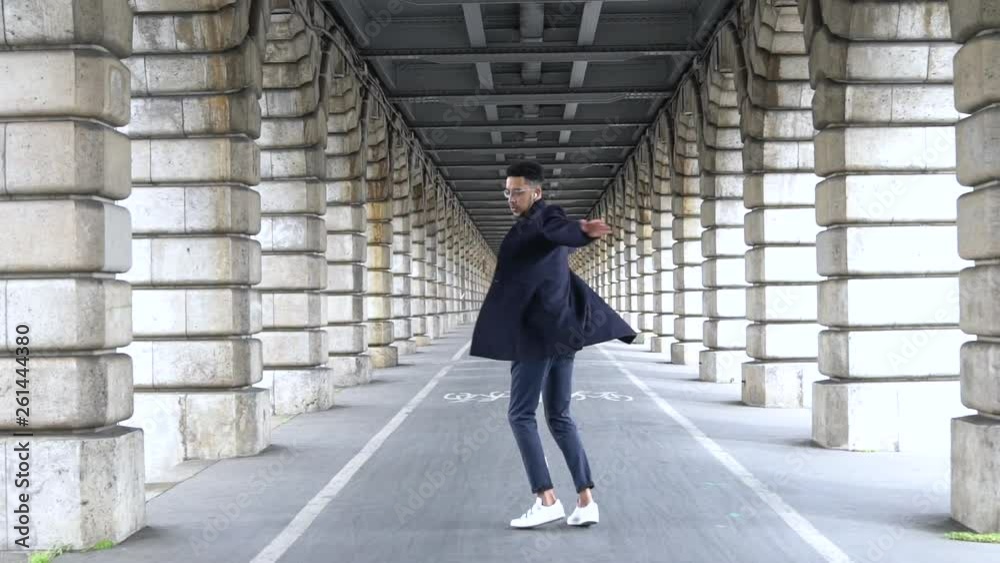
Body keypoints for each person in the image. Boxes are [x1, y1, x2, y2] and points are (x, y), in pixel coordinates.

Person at [470, 160, 636, 529]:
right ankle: (586, 500)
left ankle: (545, 499)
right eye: (508, 191)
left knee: (520, 414)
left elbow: (561, 229)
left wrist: (582, 230)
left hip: (538, 335)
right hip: (561, 334)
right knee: (559, 416)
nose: (511, 198)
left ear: (537, 192)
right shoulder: (532, 225)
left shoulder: (544, 219)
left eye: (518, 191)